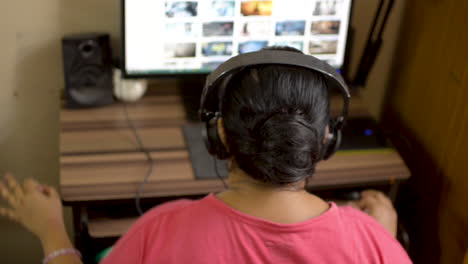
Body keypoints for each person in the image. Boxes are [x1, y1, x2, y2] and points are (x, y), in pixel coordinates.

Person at [0, 47, 412, 263]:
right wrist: (382, 239)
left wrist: (51, 229)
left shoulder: (160, 231)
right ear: (326, 138)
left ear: (218, 134)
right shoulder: (372, 242)